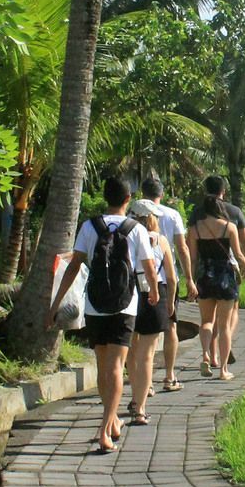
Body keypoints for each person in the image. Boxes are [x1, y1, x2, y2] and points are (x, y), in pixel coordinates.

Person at [47, 175, 160, 454]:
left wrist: (56, 302)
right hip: (125, 305)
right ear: (128, 199)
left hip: (94, 305)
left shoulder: (89, 226)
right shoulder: (136, 229)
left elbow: (74, 266)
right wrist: (154, 293)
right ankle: (105, 427)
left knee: (102, 367)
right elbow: (147, 266)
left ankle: (110, 422)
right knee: (116, 367)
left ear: (105, 197)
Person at [188, 188, 245, 380]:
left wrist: (191, 280)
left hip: (205, 276)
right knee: (224, 325)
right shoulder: (229, 227)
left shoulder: (194, 230)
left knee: (206, 321)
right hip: (225, 276)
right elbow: (239, 254)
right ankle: (223, 370)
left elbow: (193, 259)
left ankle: (205, 355)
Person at [123, 197, 181, 425]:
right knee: (147, 354)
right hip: (154, 294)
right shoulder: (161, 241)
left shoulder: (125, 237)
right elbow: (171, 277)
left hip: (129, 294)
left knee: (131, 351)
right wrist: (170, 302)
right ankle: (140, 406)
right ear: (150, 219)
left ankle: (135, 397)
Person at [139, 176, 195, 393]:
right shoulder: (172, 215)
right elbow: (182, 248)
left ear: (142, 194)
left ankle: (146, 380)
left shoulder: (134, 215)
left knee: (140, 333)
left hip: (140, 279)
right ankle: (169, 375)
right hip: (166, 276)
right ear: (161, 194)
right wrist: (189, 277)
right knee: (171, 325)